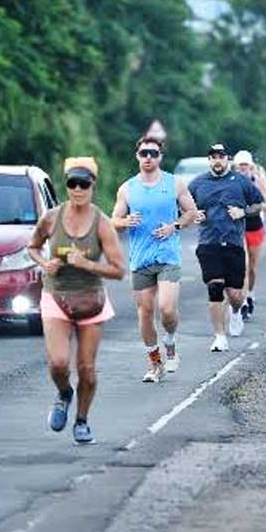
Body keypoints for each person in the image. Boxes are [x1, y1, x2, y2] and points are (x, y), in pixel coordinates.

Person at [27, 157, 126, 444]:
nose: (78, 188)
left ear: (93, 186)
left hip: (91, 301)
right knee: (58, 363)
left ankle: (82, 421)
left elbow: (119, 271)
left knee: (87, 370)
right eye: (73, 183)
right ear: (67, 186)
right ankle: (64, 393)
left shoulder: (102, 224)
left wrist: (87, 264)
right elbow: (32, 247)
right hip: (55, 296)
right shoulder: (51, 218)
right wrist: (44, 264)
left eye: (84, 183)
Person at [110, 136, 199, 382]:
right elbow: (113, 221)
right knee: (145, 312)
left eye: (153, 153)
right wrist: (123, 222)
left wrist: (175, 226)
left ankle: (170, 341)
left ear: (160, 156)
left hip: (168, 256)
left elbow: (191, 212)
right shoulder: (127, 188)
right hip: (140, 259)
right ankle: (155, 364)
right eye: (144, 153)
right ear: (137, 156)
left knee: (167, 309)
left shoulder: (175, 183)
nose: (148, 157)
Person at [187, 144, 265, 350]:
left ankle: (237, 311)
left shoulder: (240, 181)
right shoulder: (198, 183)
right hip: (208, 243)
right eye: (213, 157)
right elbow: (184, 206)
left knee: (235, 295)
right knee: (215, 287)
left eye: (221, 156)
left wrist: (244, 212)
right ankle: (220, 336)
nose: (217, 160)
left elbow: (259, 203)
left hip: (233, 243)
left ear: (227, 159)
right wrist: (194, 214)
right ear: (209, 160)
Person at [232, 150, 266, 320]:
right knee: (243, 266)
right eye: (240, 165)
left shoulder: (258, 182)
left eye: (246, 165)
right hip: (238, 229)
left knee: (252, 268)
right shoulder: (231, 182)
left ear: (251, 167)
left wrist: (248, 208)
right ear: (235, 167)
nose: (243, 168)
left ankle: (250, 294)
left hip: (255, 227)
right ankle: (242, 302)